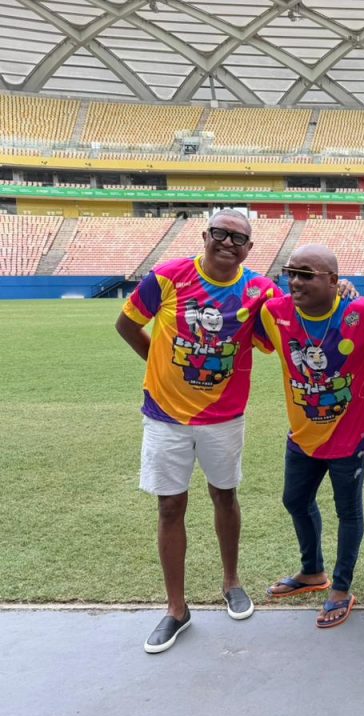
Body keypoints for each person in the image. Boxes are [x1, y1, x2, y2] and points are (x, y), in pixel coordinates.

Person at [115, 209, 274, 653]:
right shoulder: (168, 277)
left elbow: (291, 324)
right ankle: (176, 609)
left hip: (224, 417)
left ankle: (231, 582)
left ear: (249, 249)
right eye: (221, 233)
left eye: (239, 238)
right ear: (205, 235)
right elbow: (127, 324)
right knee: (170, 506)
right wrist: (158, 363)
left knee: (225, 495)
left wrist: (342, 289)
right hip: (165, 415)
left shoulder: (260, 291)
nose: (228, 243)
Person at [254, 245, 364, 629]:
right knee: (295, 500)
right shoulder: (273, 312)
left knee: (347, 511)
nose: (295, 281)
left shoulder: (362, 312)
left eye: (306, 274)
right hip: (303, 434)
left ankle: (341, 587)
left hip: (351, 435)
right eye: (291, 272)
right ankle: (312, 572)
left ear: (333, 280)